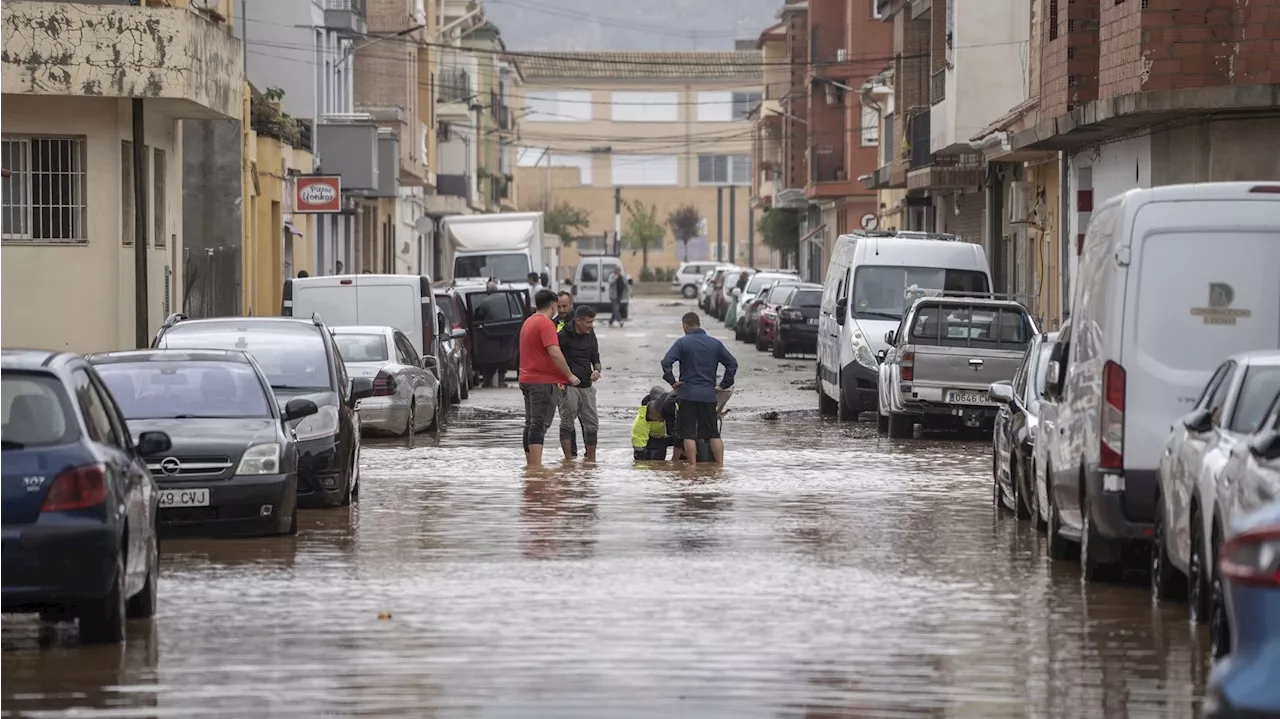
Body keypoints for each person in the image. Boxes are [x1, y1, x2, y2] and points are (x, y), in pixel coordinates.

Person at [661, 312, 737, 466]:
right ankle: (720, 467)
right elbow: (732, 364)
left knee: (688, 434)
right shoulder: (715, 344)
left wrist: (672, 382)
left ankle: (693, 467)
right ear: (698, 324)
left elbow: (666, 362)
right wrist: (723, 385)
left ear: (685, 325)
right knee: (713, 434)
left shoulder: (682, 343)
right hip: (709, 396)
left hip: (687, 395)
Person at [518, 289, 580, 467]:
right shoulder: (546, 324)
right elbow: (554, 351)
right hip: (541, 382)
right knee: (539, 425)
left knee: (530, 423)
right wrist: (568, 375)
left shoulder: (528, 322)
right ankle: (536, 468)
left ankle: (530, 465)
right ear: (553, 305)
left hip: (526, 379)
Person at [557, 306, 602, 462]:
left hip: (587, 385)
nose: (591, 325)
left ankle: (591, 460)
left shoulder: (591, 334)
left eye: (592, 322)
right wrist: (559, 379)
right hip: (569, 386)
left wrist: (597, 370)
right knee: (567, 423)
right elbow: (553, 358)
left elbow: (595, 357)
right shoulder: (563, 336)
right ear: (578, 321)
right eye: (588, 322)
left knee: (592, 424)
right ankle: (568, 461)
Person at [476, 279, 514, 387]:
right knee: (504, 355)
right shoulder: (508, 298)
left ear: (487, 291)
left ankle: (488, 382)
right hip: (507, 330)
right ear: (497, 289)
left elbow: (480, 316)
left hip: (491, 331)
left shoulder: (485, 301)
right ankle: (501, 381)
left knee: (490, 356)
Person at [632, 386, 679, 460]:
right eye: (658, 416)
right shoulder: (642, 418)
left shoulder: (674, 406)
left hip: (676, 435)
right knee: (654, 460)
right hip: (656, 438)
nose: (660, 420)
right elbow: (639, 441)